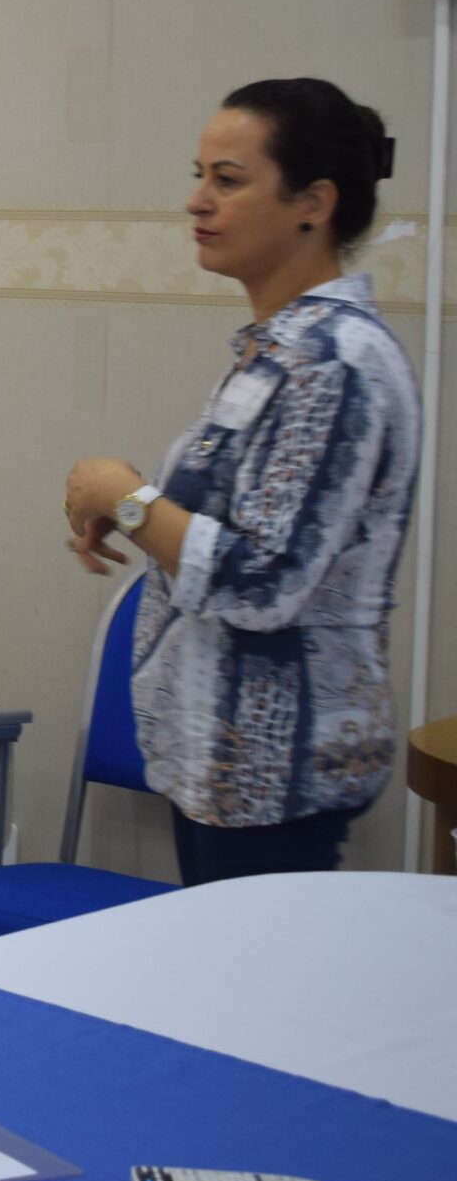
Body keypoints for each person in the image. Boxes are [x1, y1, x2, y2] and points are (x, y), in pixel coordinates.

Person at [61, 79, 419, 885]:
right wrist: (126, 506)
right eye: (199, 175)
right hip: (222, 767)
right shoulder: (280, 350)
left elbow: (264, 579)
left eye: (228, 179)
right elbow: (244, 520)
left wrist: (126, 495)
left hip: (276, 777)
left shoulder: (331, 363)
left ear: (313, 202)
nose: (197, 201)